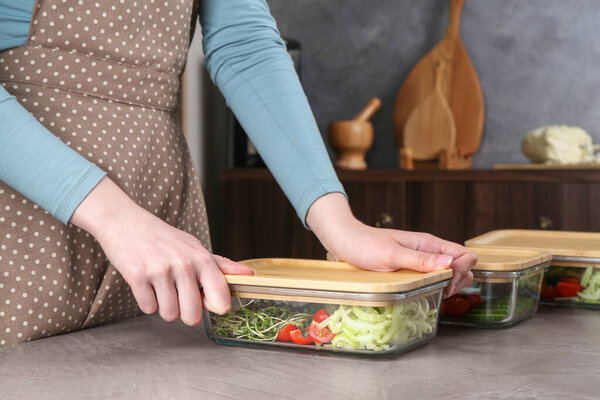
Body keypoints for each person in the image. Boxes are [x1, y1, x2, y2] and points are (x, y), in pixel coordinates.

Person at [0, 0, 476, 347]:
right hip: (24, 211)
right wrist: (115, 218)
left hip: (159, 210)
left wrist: (339, 226)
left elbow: (246, 47)